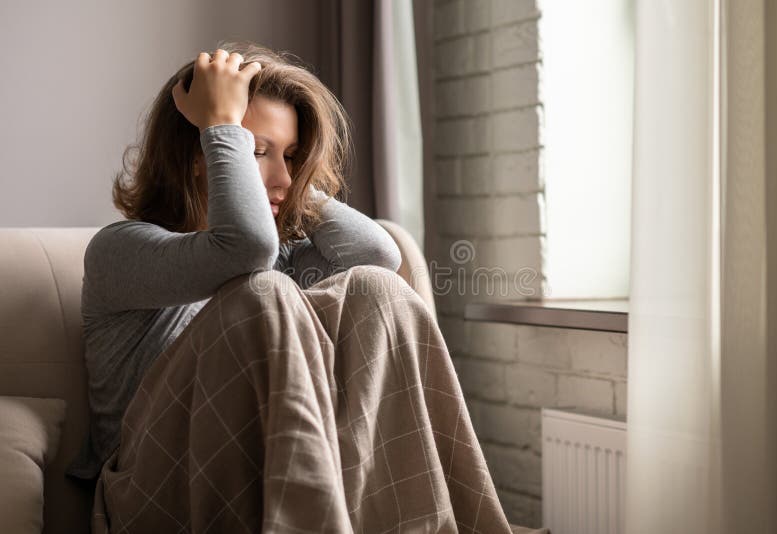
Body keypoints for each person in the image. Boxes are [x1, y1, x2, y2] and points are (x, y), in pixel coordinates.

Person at [72, 41, 513, 533]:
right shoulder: (121, 251)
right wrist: (220, 123)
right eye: (257, 151)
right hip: (152, 491)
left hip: (266, 471)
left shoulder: (281, 251)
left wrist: (293, 182)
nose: (281, 176)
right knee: (263, 292)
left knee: (374, 288)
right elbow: (244, 249)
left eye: (292, 156)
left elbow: (379, 257)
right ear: (201, 155)